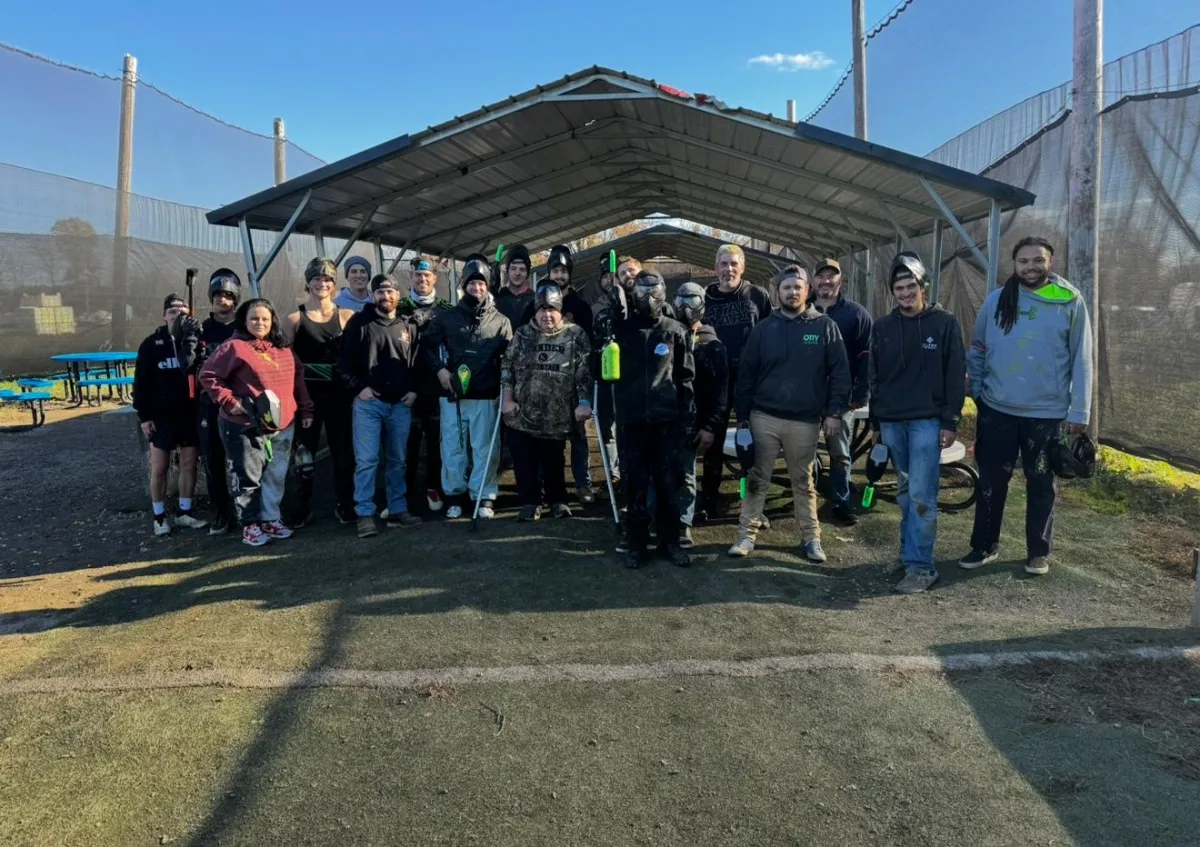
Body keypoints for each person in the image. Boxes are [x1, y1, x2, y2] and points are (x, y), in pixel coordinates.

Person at [962, 236, 1093, 576]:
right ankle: (984, 546)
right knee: (991, 481)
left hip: (1045, 414)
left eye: (1038, 260)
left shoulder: (1069, 301)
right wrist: (977, 392)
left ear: (1051, 262)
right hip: (997, 408)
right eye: (1024, 261)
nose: (1031, 266)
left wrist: (1079, 412)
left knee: (1041, 484)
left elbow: (1082, 359)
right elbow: (977, 349)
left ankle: (1038, 551)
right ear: (1014, 264)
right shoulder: (997, 301)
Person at [730, 265, 850, 563]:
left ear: (807, 291)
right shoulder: (763, 329)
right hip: (764, 418)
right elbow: (746, 375)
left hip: (805, 420)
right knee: (757, 478)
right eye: (787, 287)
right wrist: (742, 418)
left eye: (798, 287)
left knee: (803, 482)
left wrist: (834, 412)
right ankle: (746, 535)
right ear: (777, 292)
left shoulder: (823, 326)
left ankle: (811, 539)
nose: (792, 292)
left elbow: (840, 373)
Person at [870, 252, 966, 594]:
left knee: (923, 493)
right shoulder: (882, 327)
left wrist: (949, 421)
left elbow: (956, 375)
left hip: (927, 421)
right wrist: (876, 422)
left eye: (911, 285)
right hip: (893, 421)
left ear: (922, 286)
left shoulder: (945, 324)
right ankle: (908, 553)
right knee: (906, 492)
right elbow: (875, 377)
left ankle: (922, 566)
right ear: (892, 292)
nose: (906, 293)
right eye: (899, 287)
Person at [199, 298, 313, 547]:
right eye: (254, 318)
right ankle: (250, 525)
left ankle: (271, 518)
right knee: (248, 476)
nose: (259, 323)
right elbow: (208, 375)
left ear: (272, 321)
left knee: (276, 474)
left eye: (264, 318)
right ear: (244, 320)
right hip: (244, 424)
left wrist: (305, 410)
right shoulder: (234, 347)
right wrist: (230, 401)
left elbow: (298, 380)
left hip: (283, 423)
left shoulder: (283, 349)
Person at [610, 269, 695, 569]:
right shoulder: (620, 329)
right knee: (634, 484)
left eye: (654, 292)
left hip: (666, 422)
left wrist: (686, 420)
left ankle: (670, 542)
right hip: (631, 421)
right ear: (633, 295)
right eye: (642, 292)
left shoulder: (675, 330)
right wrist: (610, 310)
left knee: (669, 484)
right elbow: (602, 367)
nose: (648, 298)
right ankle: (636, 543)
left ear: (664, 294)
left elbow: (686, 379)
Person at [423, 256, 512, 519]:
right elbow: (427, 347)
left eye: (481, 283)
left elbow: (510, 356)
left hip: (485, 395)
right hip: (452, 396)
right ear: (463, 286)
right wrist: (440, 370)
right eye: (471, 283)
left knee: (485, 447)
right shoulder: (446, 318)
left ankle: (483, 495)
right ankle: (455, 495)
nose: (476, 288)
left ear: (488, 287)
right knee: (453, 447)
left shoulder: (500, 321)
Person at [339, 273, 422, 538]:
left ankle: (397, 509)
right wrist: (359, 388)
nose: (385, 297)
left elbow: (417, 364)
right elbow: (342, 364)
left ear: (398, 295)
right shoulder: (360, 323)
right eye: (380, 292)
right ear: (373, 295)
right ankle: (365, 513)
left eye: (390, 292)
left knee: (398, 460)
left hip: (400, 405)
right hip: (369, 405)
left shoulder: (408, 326)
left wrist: (413, 390)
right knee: (367, 461)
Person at [501, 282, 593, 521]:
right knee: (525, 460)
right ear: (535, 311)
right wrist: (507, 400)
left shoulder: (575, 335)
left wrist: (584, 402)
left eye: (552, 309)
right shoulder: (522, 334)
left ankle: (558, 500)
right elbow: (507, 368)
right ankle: (530, 502)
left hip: (558, 414)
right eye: (542, 310)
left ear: (560, 311)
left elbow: (584, 372)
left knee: (554, 459)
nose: (546, 315)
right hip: (523, 413)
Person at [701, 243, 773, 519]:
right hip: (714, 380)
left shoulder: (758, 295)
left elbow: (771, 335)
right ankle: (708, 501)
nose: (728, 269)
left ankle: (754, 506)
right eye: (723, 263)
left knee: (753, 442)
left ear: (742, 268)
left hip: (749, 380)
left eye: (734, 264)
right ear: (715, 267)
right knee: (712, 440)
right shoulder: (706, 296)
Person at [520, 245, 595, 504]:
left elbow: (586, 346)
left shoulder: (580, 306)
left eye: (563, 271)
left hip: (572, 383)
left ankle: (582, 483)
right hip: (542, 384)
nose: (559, 276)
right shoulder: (536, 303)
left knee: (578, 436)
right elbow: (524, 336)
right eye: (555, 270)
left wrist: (584, 394)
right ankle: (546, 489)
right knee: (545, 440)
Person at [284, 258, 356, 525]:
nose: (322, 284)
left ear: (334, 285)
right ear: (308, 283)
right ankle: (301, 507)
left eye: (327, 280)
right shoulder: (294, 318)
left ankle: (346, 504)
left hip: (340, 398)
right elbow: (283, 361)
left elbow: (356, 357)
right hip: (307, 400)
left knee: (343, 455)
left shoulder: (348, 317)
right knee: (304, 456)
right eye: (316, 279)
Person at [133, 293, 209, 536]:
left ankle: (184, 512)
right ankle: (159, 516)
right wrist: (144, 416)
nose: (178, 316)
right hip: (162, 416)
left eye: (183, 312)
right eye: (173, 311)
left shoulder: (196, 341)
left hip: (190, 413)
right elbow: (141, 383)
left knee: (188, 463)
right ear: (164, 315)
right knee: (160, 467)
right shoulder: (151, 344)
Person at [812, 257, 873, 526]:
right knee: (802, 451)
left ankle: (840, 500)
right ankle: (806, 498)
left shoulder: (856, 314)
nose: (826, 281)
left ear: (841, 281)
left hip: (841, 399)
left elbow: (867, 357)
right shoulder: (802, 311)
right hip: (806, 397)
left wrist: (861, 394)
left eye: (832, 276)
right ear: (813, 281)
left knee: (840, 453)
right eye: (821, 276)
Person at [672, 282, 728, 549]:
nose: (686, 308)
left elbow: (720, 393)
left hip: (698, 422)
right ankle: (656, 518)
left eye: (692, 302)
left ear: (702, 306)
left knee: (687, 475)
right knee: (658, 472)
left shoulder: (713, 345)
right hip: (667, 420)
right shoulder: (666, 337)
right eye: (681, 301)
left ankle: (684, 523)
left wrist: (710, 426)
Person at [397, 256, 453, 514]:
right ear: (410, 278)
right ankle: (402, 491)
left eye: (427, 276)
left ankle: (433, 486)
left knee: (435, 439)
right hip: (405, 385)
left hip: (435, 386)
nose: (422, 280)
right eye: (417, 276)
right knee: (405, 441)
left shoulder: (446, 308)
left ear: (434, 279)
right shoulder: (398, 307)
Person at [196, 268, 242, 535]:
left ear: (235, 299)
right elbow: (189, 366)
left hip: (237, 402)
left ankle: (245, 509)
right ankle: (221, 513)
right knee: (212, 460)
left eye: (227, 296)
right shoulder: (200, 329)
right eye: (217, 295)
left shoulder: (243, 328)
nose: (221, 300)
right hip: (208, 403)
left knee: (243, 459)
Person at [494, 244, 534, 329]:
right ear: (507, 271)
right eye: (513, 269)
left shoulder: (534, 300)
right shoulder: (499, 298)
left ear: (527, 273)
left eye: (522, 269)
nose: (517, 273)